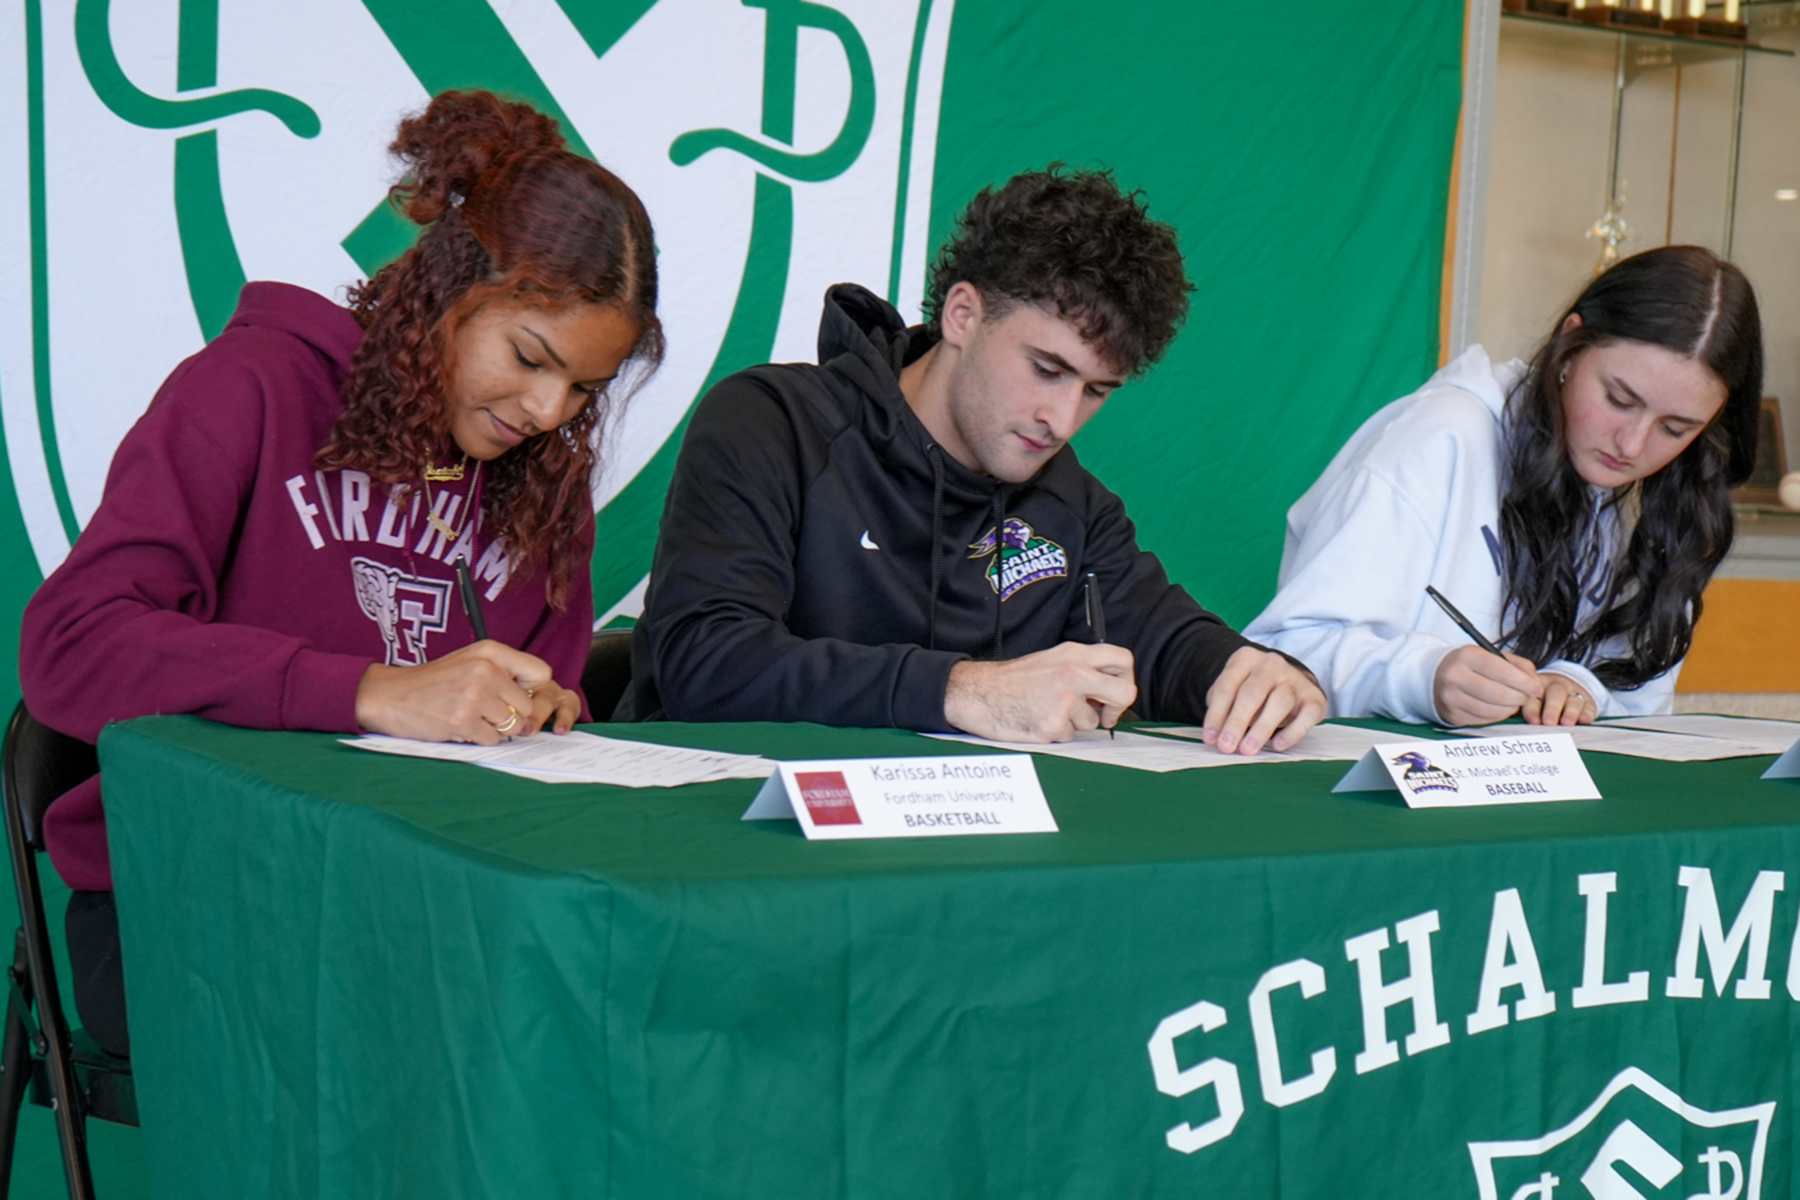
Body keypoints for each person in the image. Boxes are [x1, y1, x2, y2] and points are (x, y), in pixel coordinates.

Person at [18, 90, 663, 1055]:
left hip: (437, 899)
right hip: (200, 895)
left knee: (626, 1021)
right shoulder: (254, 391)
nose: (544, 408)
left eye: (582, 389)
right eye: (530, 356)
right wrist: (373, 693)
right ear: (447, 291)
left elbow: (539, 720)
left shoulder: (542, 487)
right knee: (441, 1055)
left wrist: (542, 714)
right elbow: (72, 649)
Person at [618, 167, 1325, 748]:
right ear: (963, 314)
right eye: (1047, 369)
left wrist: (1252, 673)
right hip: (730, 845)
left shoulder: (1072, 504)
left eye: (1097, 391)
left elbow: (1168, 643)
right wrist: (962, 690)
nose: (1063, 419)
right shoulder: (773, 423)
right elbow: (704, 663)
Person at [1245, 245, 1762, 727]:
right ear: (1569, 343)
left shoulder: (1652, 494)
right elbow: (1287, 652)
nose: (1631, 444)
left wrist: (1578, 686)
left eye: (1676, 429)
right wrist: (1423, 677)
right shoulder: (1442, 436)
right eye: (1619, 399)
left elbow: (1640, 696)